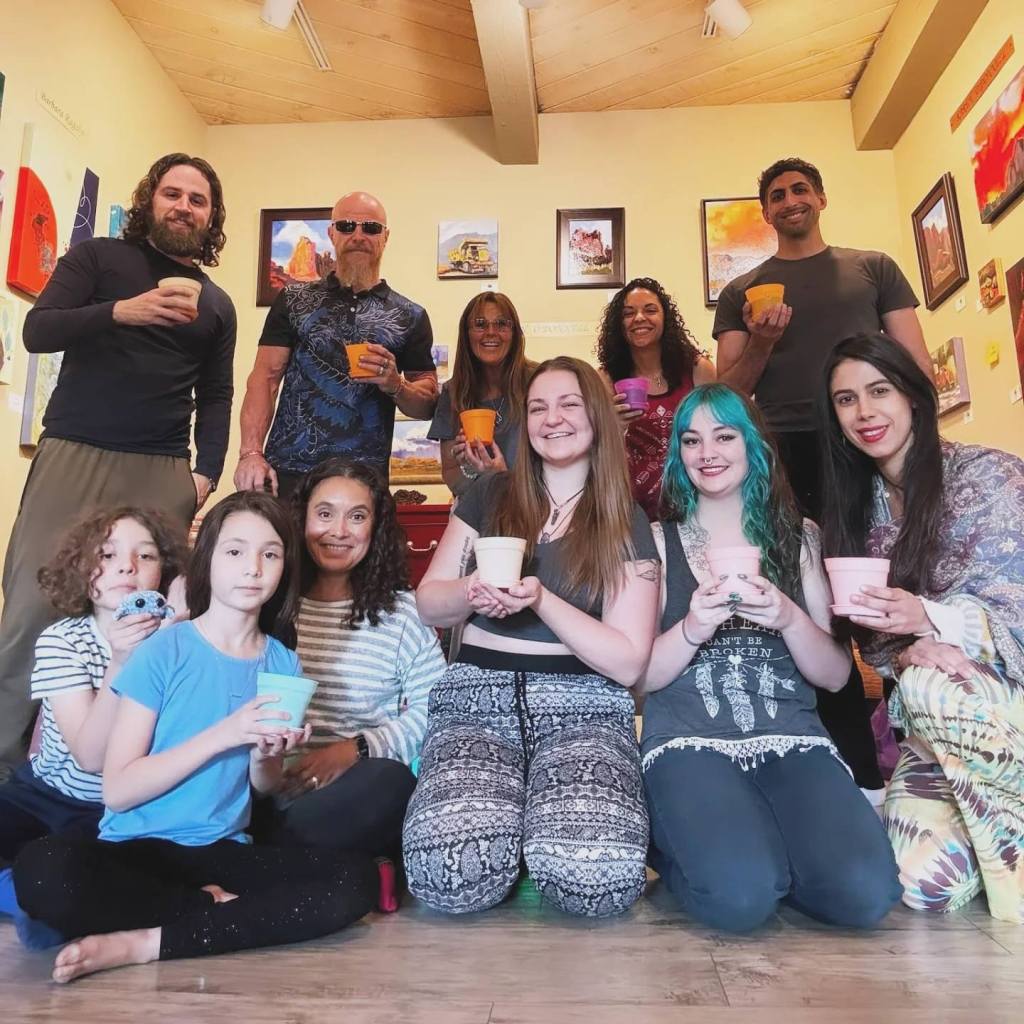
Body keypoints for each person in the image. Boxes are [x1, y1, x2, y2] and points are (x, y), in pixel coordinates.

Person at [12, 492, 379, 983]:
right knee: (43, 871)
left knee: (354, 882)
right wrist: (226, 733)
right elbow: (118, 790)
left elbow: (265, 786)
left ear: (285, 567)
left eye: (270, 554)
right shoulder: (162, 648)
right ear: (207, 559)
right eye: (235, 551)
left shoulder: (282, 662)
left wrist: (265, 754)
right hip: (137, 849)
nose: (252, 568)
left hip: (222, 848)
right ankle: (202, 911)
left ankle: (146, 942)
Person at [0, 152, 235, 783]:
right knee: (32, 607)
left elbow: (216, 394)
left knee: (152, 618)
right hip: (75, 450)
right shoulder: (98, 259)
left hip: (162, 465)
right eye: (172, 193)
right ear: (149, 199)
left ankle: (130, 769)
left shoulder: (217, 304)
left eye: (198, 200)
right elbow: (38, 330)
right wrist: (120, 311)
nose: (183, 206)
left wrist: (205, 472)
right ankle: (6, 771)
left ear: (211, 217)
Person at [639, 383, 901, 932]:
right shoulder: (655, 543)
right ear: (678, 454)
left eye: (724, 436)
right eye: (691, 440)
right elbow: (638, 681)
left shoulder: (801, 538)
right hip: (689, 742)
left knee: (865, 896)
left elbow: (836, 677)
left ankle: (766, 855)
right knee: (741, 899)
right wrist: (692, 627)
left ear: (752, 443)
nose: (707, 452)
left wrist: (787, 616)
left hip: (793, 739)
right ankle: (695, 851)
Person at [404, 356, 660, 917]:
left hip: (584, 711)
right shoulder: (490, 494)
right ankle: (517, 827)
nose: (553, 418)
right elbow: (429, 601)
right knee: (448, 876)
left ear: (596, 417)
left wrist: (542, 599)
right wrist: (471, 589)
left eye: (569, 404)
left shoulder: (624, 518)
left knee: (595, 881)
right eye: (539, 407)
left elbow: (627, 662)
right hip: (475, 705)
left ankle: (533, 828)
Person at [712, 158, 931, 793]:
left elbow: (915, 368)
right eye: (777, 194)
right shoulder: (742, 290)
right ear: (766, 212)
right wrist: (761, 341)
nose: (790, 200)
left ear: (821, 198)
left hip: (868, 451)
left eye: (800, 189)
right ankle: (839, 764)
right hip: (784, 456)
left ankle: (909, 750)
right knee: (813, 607)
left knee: (888, 592)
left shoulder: (874, 268)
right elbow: (730, 394)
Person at [819, 333, 1024, 924]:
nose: (864, 412)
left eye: (879, 391)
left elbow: (1014, 598)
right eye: (846, 400)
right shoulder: (857, 510)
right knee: (926, 884)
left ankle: (1012, 885)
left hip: (1000, 697)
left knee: (933, 688)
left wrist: (929, 618)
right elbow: (877, 643)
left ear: (912, 395)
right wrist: (907, 652)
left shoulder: (988, 476)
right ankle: (994, 827)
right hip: (935, 728)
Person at [251, 459, 444, 858]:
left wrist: (354, 749)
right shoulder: (269, 603)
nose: (339, 531)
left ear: (376, 528)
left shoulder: (403, 613)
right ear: (301, 519)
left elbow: (437, 707)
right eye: (324, 514)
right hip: (264, 780)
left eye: (357, 517)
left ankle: (276, 859)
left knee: (393, 783)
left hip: (357, 788)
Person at [234, 191, 438, 499]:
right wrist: (250, 453)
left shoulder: (410, 316)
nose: (358, 236)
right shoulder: (293, 300)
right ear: (332, 233)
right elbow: (265, 378)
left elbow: (428, 405)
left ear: (385, 237)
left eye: (371, 228)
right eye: (346, 226)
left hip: (364, 483)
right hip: (288, 476)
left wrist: (396, 385)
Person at [597, 277, 715, 519]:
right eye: (628, 313)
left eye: (650, 310)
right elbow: (598, 449)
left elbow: (717, 433)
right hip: (631, 504)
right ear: (619, 325)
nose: (639, 318)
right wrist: (614, 427)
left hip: (695, 494)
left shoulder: (698, 369)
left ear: (666, 319)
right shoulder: (605, 378)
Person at [429, 292, 534, 497]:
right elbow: (451, 475)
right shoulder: (453, 391)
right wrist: (469, 467)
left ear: (515, 333)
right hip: (478, 510)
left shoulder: (538, 381)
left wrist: (503, 480)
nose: (491, 332)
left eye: (501, 324)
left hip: (534, 508)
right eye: (480, 324)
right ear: (466, 334)